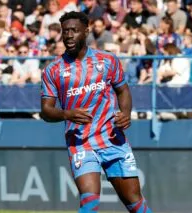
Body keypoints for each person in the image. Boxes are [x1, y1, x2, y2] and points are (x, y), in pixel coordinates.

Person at [40, 11, 152, 212]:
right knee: (89, 201)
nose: (69, 35)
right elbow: (46, 111)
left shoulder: (108, 60)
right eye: (66, 31)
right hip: (80, 142)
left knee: (135, 203)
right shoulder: (53, 70)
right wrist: (66, 114)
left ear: (86, 31)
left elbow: (123, 90)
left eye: (74, 30)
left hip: (112, 139)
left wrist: (125, 113)